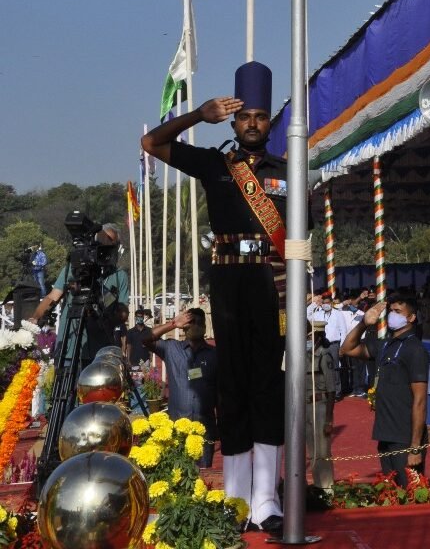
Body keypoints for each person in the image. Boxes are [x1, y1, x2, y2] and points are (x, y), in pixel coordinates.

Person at [141, 61, 287, 535]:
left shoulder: (287, 171)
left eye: (261, 116)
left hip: (269, 282)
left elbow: (299, 233)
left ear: (270, 122)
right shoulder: (215, 163)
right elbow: (152, 144)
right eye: (244, 116)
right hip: (227, 284)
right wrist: (196, 115)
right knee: (234, 386)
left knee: (267, 384)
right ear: (231, 121)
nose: (251, 124)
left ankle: (267, 498)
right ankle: (237, 496)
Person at [341, 292, 429, 486]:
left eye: (398, 311)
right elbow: (346, 349)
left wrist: (415, 447)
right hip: (385, 432)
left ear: (411, 318)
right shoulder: (385, 344)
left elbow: (420, 400)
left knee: (410, 491)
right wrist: (364, 323)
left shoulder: (415, 350)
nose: (392, 314)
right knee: (391, 491)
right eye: (391, 310)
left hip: (405, 436)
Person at [31, 223, 129, 365]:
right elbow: (52, 297)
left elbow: (123, 312)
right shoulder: (75, 268)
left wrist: (105, 319)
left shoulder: (120, 276)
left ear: (116, 246)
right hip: (69, 345)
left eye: (110, 242)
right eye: (101, 240)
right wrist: (35, 318)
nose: (104, 245)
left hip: (100, 350)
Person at [144, 308, 218, 466]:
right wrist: (172, 324)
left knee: (203, 478)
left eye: (198, 322)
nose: (194, 326)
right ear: (184, 326)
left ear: (205, 327)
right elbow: (145, 338)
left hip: (204, 429)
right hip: (177, 428)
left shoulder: (215, 354)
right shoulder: (171, 348)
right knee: (177, 476)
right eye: (190, 322)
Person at [305, 313, 336, 492]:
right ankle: (317, 486)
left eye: (309, 336)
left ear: (317, 335)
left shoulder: (324, 356)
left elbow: (331, 389)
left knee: (322, 451)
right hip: (306, 405)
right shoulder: (305, 354)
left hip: (320, 406)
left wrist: (329, 419)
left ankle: (327, 488)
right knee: (312, 450)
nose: (307, 338)